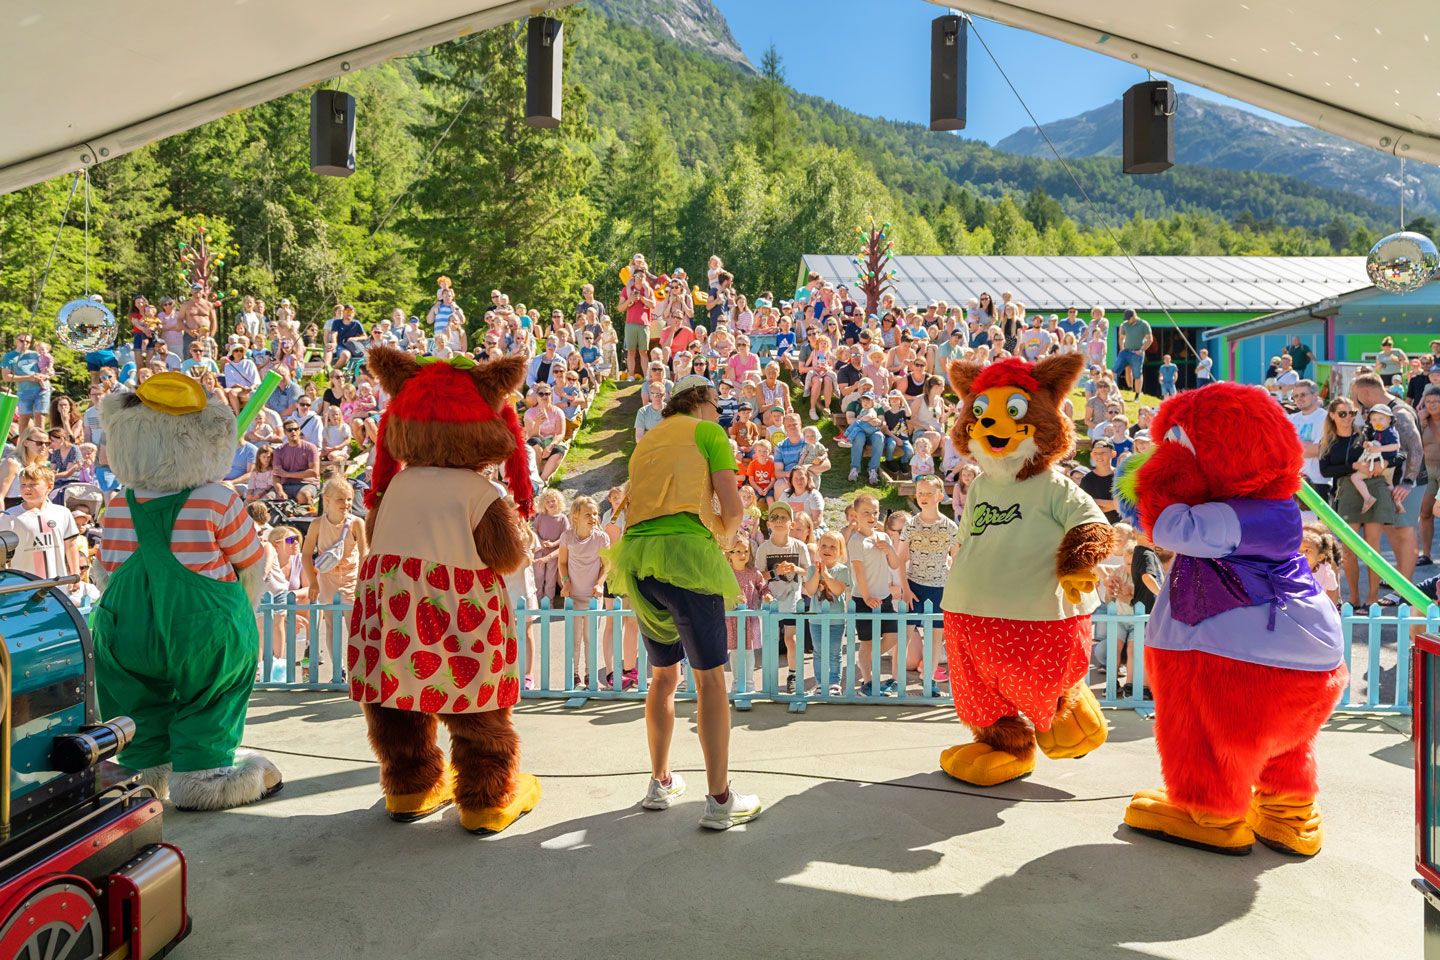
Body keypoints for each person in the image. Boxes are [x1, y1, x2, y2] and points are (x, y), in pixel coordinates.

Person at [605, 374, 759, 830]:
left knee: (662, 677)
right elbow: (732, 512)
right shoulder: (709, 433)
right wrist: (726, 542)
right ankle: (720, 800)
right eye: (718, 407)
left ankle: (660, 783)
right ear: (704, 402)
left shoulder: (648, 439)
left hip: (638, 562)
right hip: (688, 560)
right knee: (712, 681)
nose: (721, 416)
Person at [1318, 395, 1388, 604]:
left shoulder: (1366, 434)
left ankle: (1373, 598)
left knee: (1373, 548)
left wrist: (1382, 465)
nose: (1348, 417)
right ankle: (1354, 598)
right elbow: (1325, 470)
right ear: (1332, 415)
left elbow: (1396, 453)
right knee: (1349, 550)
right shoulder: (1328, 442)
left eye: (1352, 413)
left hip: (1373, 489)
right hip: (1346, 494)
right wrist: (1353, 467)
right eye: (1343, 413)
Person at [301, 476, 366, 672]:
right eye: (340, 499)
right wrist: (313, 582)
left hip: (350, 578)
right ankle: (339, 669)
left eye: (348, 499)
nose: (346, 504)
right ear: (326, 500)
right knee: (331, 625)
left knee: (354, 627)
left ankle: (356, 671)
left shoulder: (356, 523)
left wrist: (360, 583)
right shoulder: (317, 524)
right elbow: (305, 555)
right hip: (327, 579)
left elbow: (364, 554)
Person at [754, 501, 811, 694]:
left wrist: (795, 569)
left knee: (791, 638)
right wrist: (774, 572)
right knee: (769, 640)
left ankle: (793, 674)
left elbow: (808, 572)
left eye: (783, 517)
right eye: (774, 518)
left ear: (791, 523)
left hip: (792, 600)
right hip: (770, 600)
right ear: (768, 524)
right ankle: (769, 680)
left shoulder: (800, 546)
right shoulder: (764, 549)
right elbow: (758, 576)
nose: (779, 521)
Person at [847, 493, 900, 696]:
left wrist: (888, 550)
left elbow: (894, 564)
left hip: (884, 597)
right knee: (866, 642)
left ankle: (867, 660)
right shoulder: (856, 541)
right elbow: (858, 572)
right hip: (863, 598)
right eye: (866, 512)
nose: (871, 516)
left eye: (875, 512)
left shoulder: (883, 537)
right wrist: (867, 596)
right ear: (856, 515)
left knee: (893, 636)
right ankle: (867, 682)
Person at [557, 495, 613, 687]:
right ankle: (574, 674)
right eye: (588, 514)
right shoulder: (567, 537)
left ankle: (590, 674)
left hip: (592, 597)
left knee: (590, 637)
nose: (593, 517)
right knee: (574, 638)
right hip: (573, 596)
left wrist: (599, 583)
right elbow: (562, 563)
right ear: (575, 516)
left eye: (595, 514)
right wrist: (565, 582)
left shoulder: (601, 537)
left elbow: (607, 565)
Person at [0, 464, 80, 578]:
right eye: (23, 484)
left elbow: (71, 545)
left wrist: (75, 574)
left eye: (33, 485)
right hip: (23, 585)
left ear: (49, 486)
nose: (27, 488)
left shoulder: (62, 513)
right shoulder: (10, 516)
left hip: (57, 585)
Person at [1350, 405, 1401, 514]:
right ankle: (1398, 503)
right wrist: (1368, 444)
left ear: (1389, 419)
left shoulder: (1390, 432)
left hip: (1385, 463)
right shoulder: (1376, 433)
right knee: (1389, 485)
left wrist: (1379, 448)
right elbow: (1375, 445)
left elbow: (1396, 446)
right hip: (1384, 465)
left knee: (1355, 477)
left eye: (1381, 418)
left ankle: (1368, 498)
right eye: (1374, 420)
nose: (1377, 421)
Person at [1289, 379, 1330, 503]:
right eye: (1295, 396)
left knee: (1316, 522)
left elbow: (1318, 450)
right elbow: (1281, 451)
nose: (1299, 398)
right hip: (1292, 482)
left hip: (1317, 482)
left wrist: (1292, 447)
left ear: (1315, 395)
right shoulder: (1290, 419)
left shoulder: (1325, 418)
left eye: (1303, 394)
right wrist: (1304, 446)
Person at [618, 255, 656, 380]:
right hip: (630, 323)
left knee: (644, 352)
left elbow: (653, 305)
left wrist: (642, 298)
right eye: (637, 275)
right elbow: (620, 308)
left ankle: (646, 376)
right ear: (633, 276)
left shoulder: (648, 290)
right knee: (631, 352)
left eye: (642, 276)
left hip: (644, 324)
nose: (639, 278)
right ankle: (631, 376)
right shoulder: (626, 289)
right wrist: (630, 299)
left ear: (645, 277)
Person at [273, 420, 321, 504]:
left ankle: (304, 514)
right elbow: (276, 476)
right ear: (285, 432)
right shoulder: (279, 450)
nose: (293, 432)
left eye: (296, 429)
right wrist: (280, 491)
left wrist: (287, 474)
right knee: (268, 497)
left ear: (299, 430)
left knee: (304, 495)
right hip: (286, 486)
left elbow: (314, 472)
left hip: (307, 484)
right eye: (290, 430)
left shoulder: (310, 448)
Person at [1078, 440, 1121, 523]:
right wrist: (1114, 505)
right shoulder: (1087, 479)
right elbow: (1085, 507)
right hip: (1096, 524)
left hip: (1120, 525)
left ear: (1113, 454)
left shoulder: (1122, 477)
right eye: (1095, 453)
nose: (1099, 456)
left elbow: (1124, 506)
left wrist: (1092, 500)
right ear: (1091, 455)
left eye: (1103, 453)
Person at [1113, 308, 1152, 398]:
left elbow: (1149, 339)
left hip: (1137, 353)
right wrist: (1122, 347)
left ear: (1134, 316)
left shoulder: (1143, 324)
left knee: (1137, 374)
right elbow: (1121, 337)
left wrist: (1141, 350)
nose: (1127, 320)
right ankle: (1113, 392)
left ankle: (1137, 395)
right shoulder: (1125, 325)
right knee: (1114, 371)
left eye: (1129, 318)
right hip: (1125, 352)